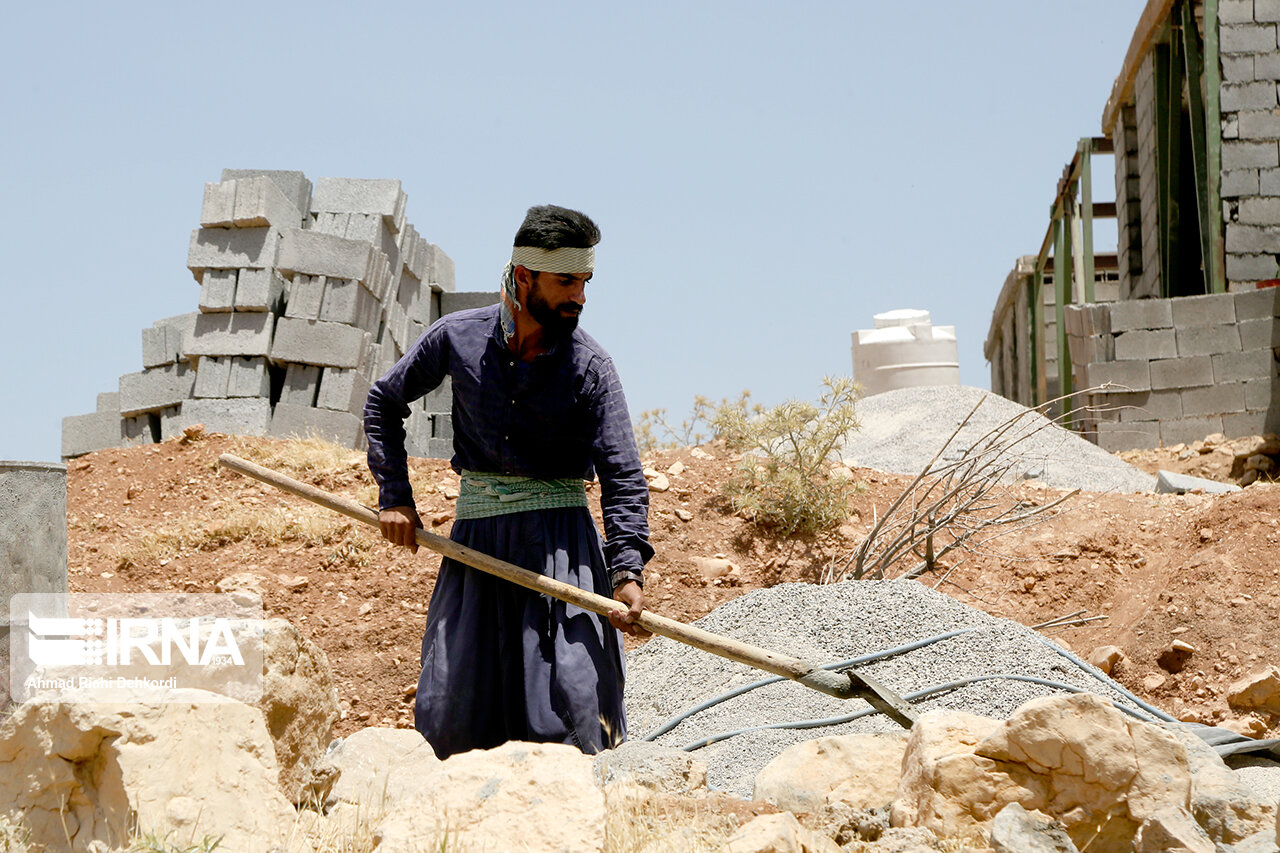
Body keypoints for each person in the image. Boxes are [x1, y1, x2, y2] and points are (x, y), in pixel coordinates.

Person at [363, 204, 652, 759]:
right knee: (454, 707)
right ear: (524, 278)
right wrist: (395, 498)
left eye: (585, 282)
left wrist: (626, 572)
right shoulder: (457, 338)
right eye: (566, 281)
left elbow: (623, 474)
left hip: (562, 552)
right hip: (476, 548)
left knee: (567, 709)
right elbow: (383, 401)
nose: (580, 297)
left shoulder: (591, 366)